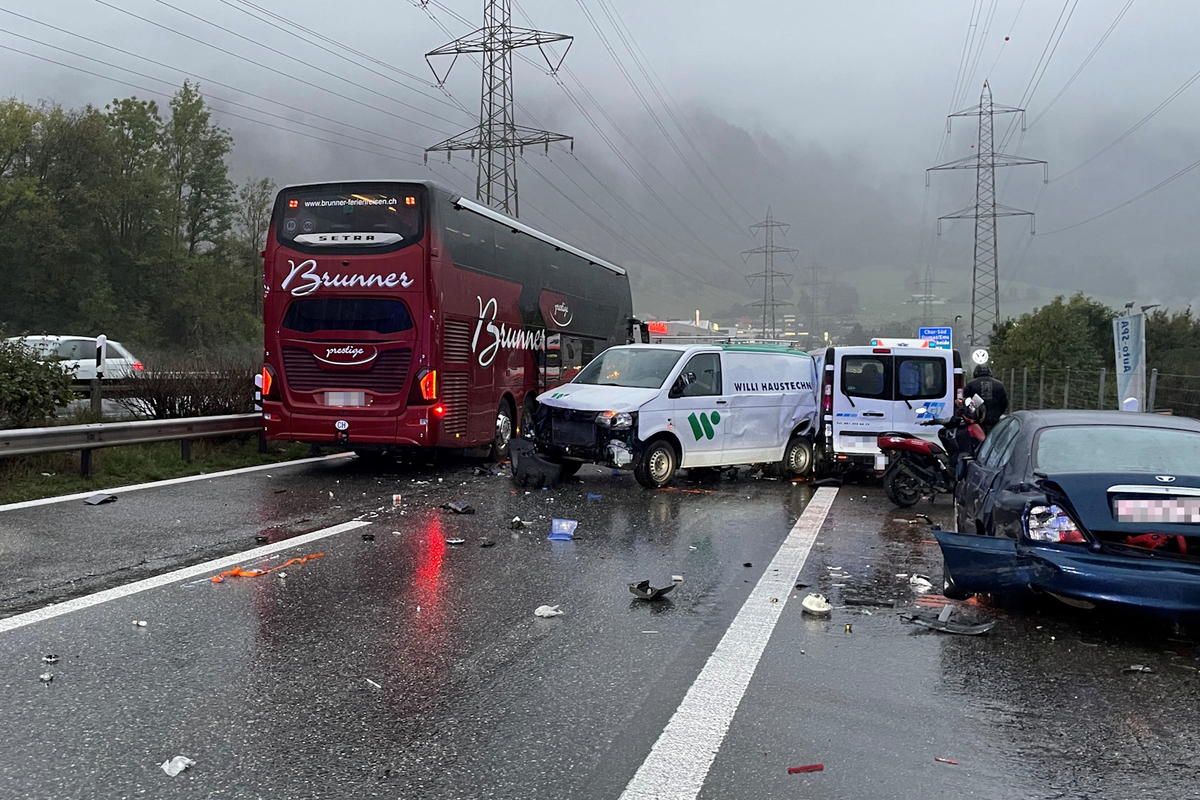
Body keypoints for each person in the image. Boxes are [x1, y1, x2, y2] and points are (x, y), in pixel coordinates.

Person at [965, 364, 1008, 432]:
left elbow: (966, 402)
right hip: (994, 420)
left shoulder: (970, 385)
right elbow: (1004, 403)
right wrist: (997, 414)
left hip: (976, 422)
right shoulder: (999, 385)